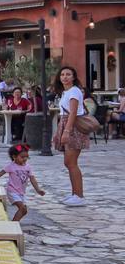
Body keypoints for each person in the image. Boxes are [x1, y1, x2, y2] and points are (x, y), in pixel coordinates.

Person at [52, 65, 90, 206]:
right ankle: (75, 193)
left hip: (73, 128)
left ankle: (79, 196)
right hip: (66, 124)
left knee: (71, 162)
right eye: (62, 74)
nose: (65, 77)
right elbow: (63, 114)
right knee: (68, 163)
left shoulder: (74, 91)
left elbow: (73, 113)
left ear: (73, 77)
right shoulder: (65, 92)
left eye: (68, 74)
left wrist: (66, 132)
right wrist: (58, 132)